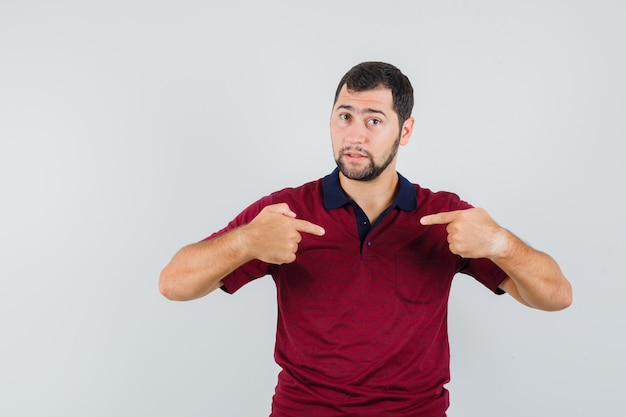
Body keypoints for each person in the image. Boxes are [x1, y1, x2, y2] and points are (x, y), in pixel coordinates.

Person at [159, 61, 572, 417]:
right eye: (345, 117)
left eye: (374, 119)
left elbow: (556, 296)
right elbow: (174, 284)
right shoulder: (284, 211)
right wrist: (246, 242)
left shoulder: (443, 215)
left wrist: (499, 243)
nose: (355, 136)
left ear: (405, 130)